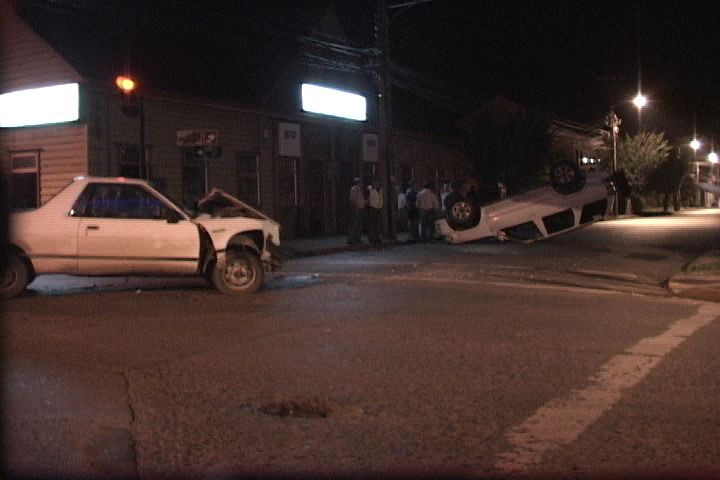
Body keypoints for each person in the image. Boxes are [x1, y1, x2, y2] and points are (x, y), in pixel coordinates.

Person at [347, 177, 365, 245]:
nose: (361, 183)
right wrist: (356, 206)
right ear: (358, 182)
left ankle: (357, 238)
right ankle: (351, 239)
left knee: (359, 224)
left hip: (360, 208)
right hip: (356, 208)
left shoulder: (358, 189)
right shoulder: (354, 189)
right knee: (354, 224)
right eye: (360, 182)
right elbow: (353, 199)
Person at [366, 179, 384, 247]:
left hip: (379, 208)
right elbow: (367, 199)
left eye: (379, 183)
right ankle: (371, 238)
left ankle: (377, 237)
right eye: (377, 183)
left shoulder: (380, 189)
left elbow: (381, 198)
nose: (378, 184)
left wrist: (381, 205)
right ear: (374, 182)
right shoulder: (369, 189)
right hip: (372, 208)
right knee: (372, 224)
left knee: (378, 224)